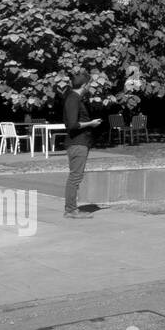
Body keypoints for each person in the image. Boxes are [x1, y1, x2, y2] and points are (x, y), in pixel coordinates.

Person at [62, 70, 102, 219]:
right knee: (75, 177)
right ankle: (71, 210)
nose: (89, 87)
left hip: (79, 143)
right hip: (77, 143)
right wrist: (91, 123)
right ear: (84, 85)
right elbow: (72, 124)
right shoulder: (73, 99)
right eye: (89, 84)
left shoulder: (74, 98)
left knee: (75, 176)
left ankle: (71, 208)